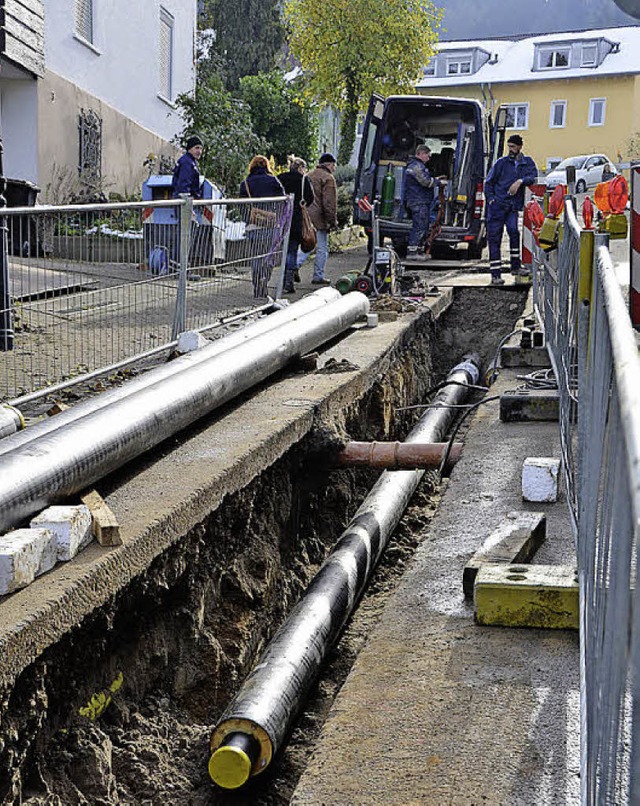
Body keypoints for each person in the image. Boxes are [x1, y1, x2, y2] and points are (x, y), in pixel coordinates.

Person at [484, 133, 538, 285]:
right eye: (509, 147)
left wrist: (520, 181)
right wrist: (492, 200)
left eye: (513, 147)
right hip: (497, 207)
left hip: (512, 207)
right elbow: (489, 183)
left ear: (520, 147)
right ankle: (495, 274)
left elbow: (533, 176)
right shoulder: (501, 163)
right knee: (494, 239)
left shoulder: (527, 163)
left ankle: (515, 266)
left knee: (514, 232)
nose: (510, 149)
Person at [239, 155, 285, 298]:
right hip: (271, 226)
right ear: (266, 166)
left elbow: (241, 205)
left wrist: (248, 219)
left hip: (253, 227)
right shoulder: (273, 181)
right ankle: (265, 279)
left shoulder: (246, 183)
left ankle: (256, 283)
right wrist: (277, 216)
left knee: (256, 256)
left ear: (252, 166)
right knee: (269, 255)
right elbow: (283, 201)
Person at [298, 153, 338, 285]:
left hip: (305, 216)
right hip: (320, 218)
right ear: (329, 164)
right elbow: (329, 203)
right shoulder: (328, 178)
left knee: (307, 244)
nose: (335, 168)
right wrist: (332, 221)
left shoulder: (308, 175)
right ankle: (317, 275)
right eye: (334, 165)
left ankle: (292, 267)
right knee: (321, 248)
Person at [277, 156, 315, 293]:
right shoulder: (304, 180)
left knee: (284, 250)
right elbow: (310, 198)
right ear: (300, 168)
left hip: (281, 218)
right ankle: (288, 281)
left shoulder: (280, 178)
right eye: (304, 168)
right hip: (297, 218)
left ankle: (282, 279)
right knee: (292, 250)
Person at [404, 145, 446, 262]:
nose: (429, 157)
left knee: (422, 225)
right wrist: (439, 182)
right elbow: (425, 181)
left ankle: (417, 250)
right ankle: (412, 252)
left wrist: (435, 180)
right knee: (419, 226)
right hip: (418, 201)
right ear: (421, 154)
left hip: (418, 200)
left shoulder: (415, 166)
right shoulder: (417, 166)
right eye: (427, 155)